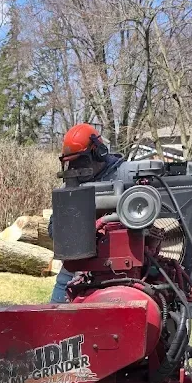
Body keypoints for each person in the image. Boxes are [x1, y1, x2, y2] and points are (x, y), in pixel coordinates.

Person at [49, 124, 129, 303]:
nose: (76, 167)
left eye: (81, 161)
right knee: (55, 321)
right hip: (74, 269)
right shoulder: (70, 187)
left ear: (98, 152)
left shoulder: (126, 177)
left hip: (118, 269)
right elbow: (53, 229)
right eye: (72, 162)